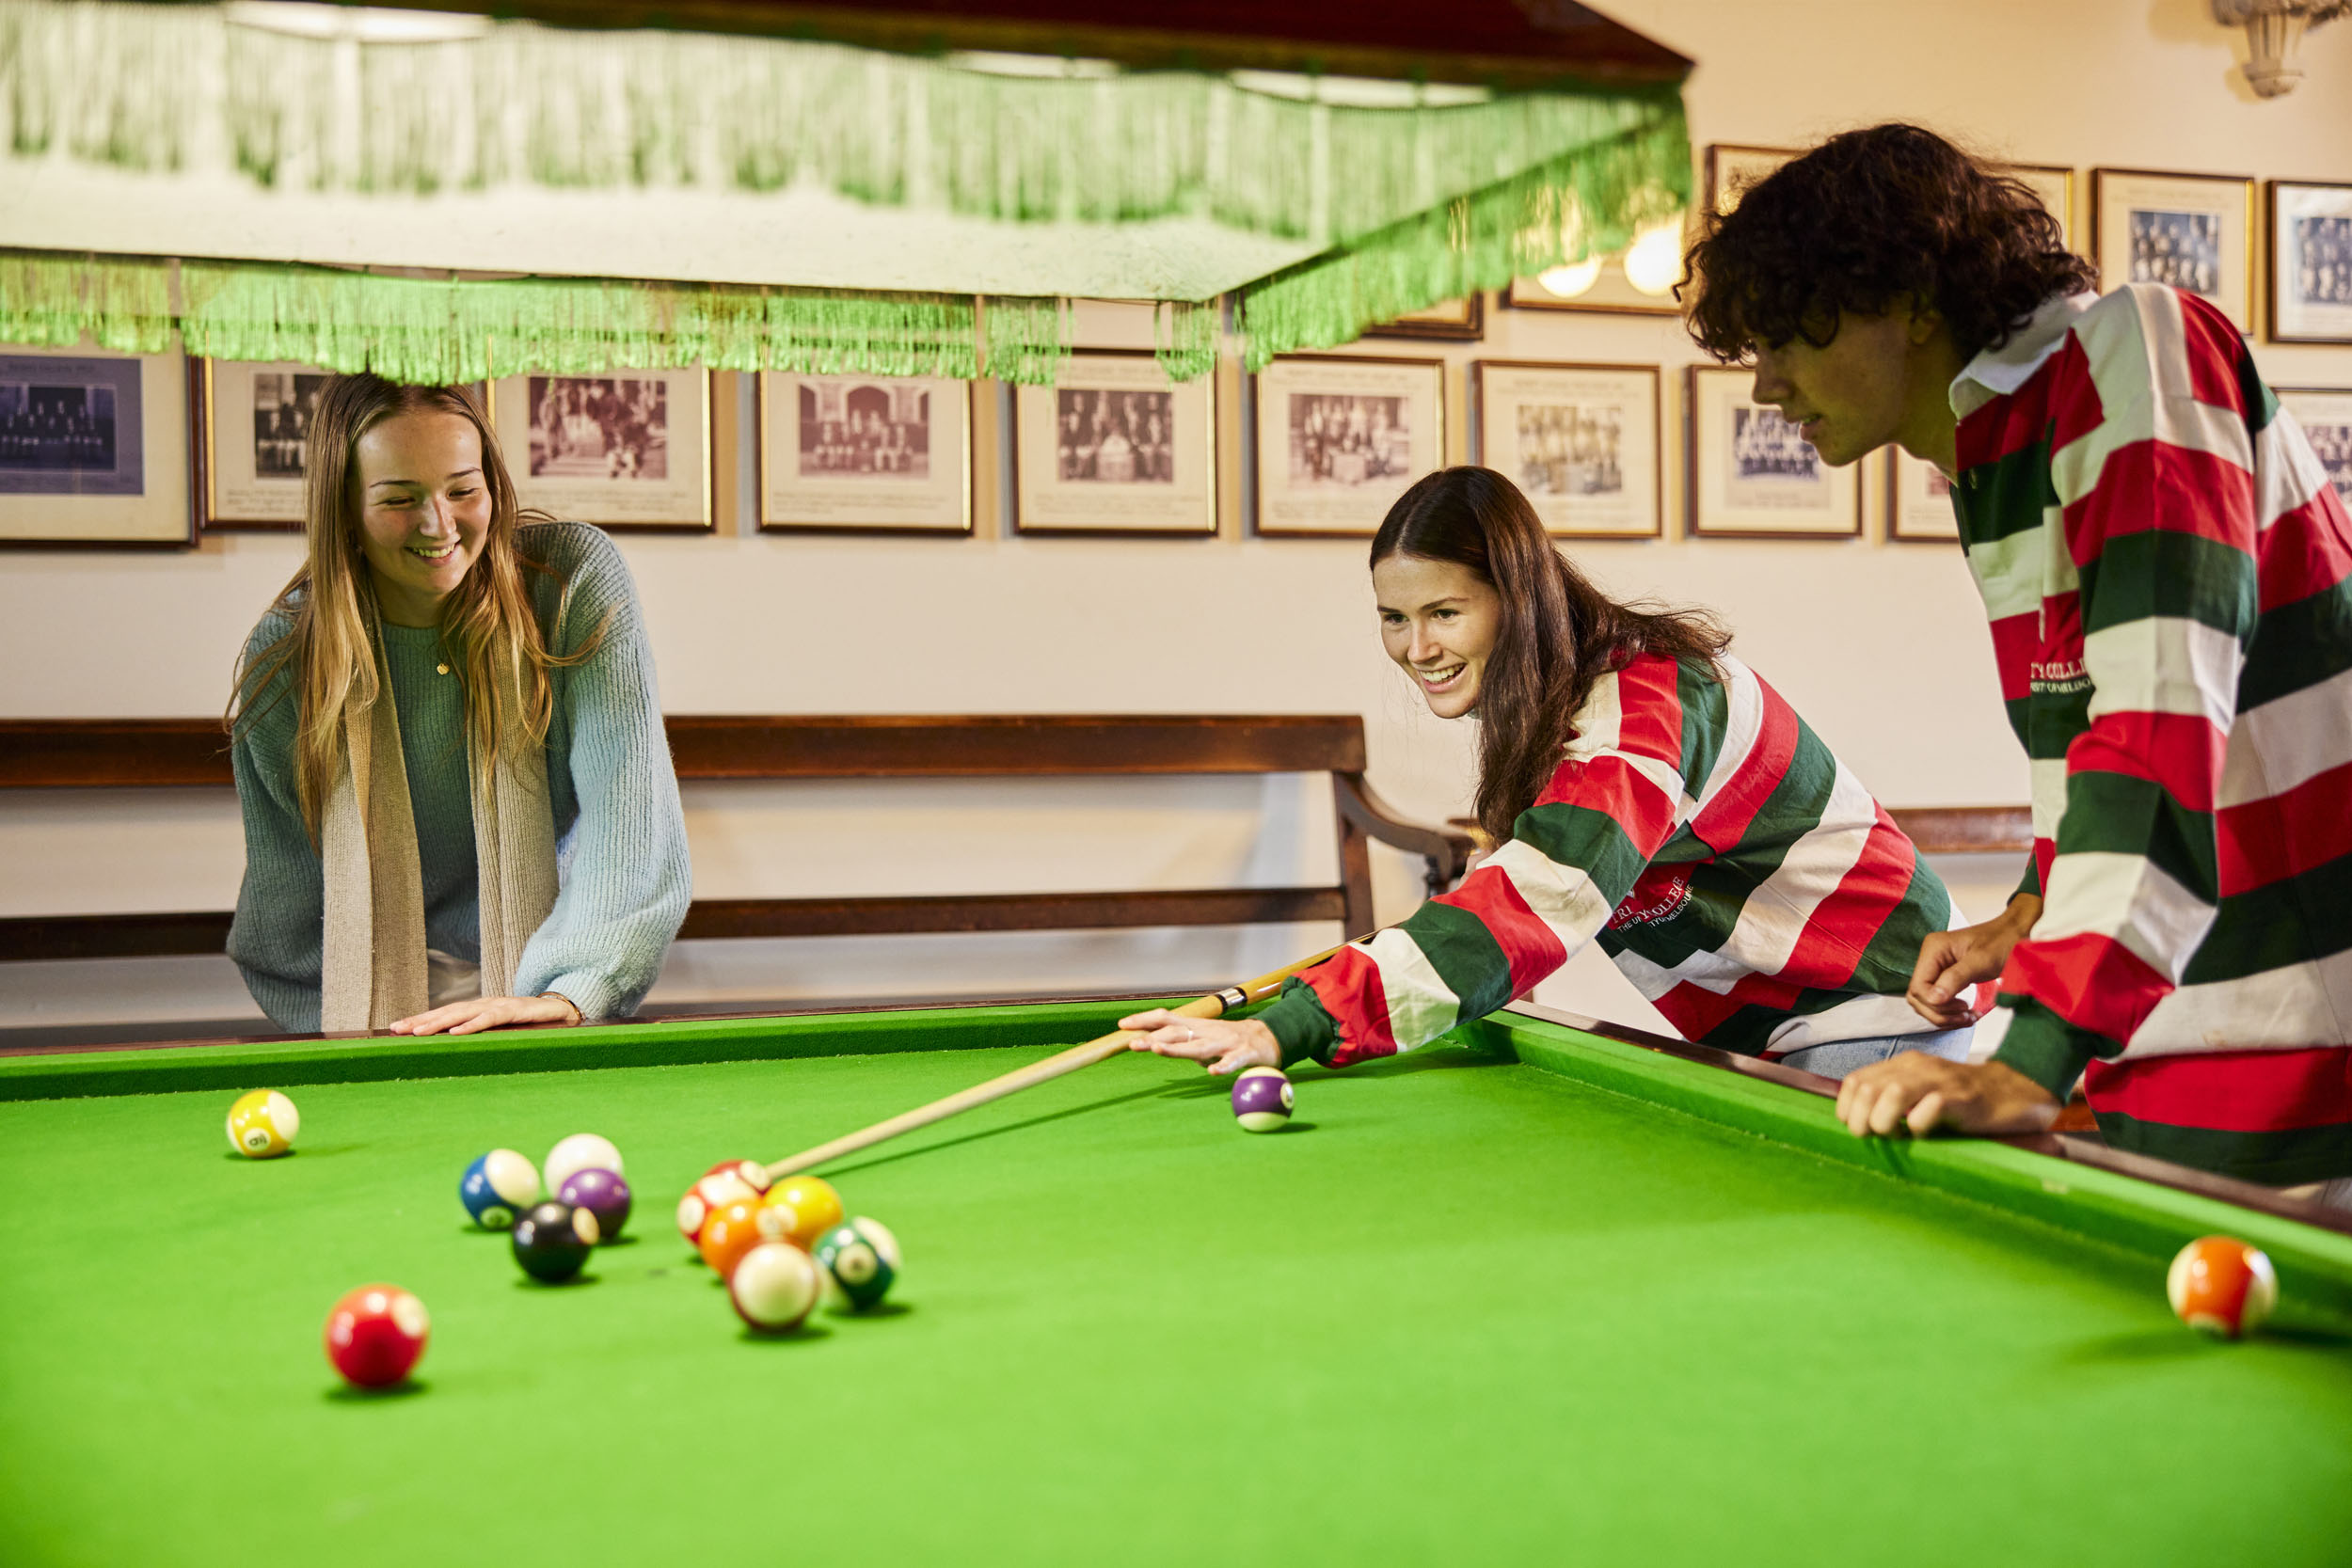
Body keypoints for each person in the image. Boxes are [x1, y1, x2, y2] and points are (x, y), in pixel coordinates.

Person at [1681, 123, 2352, 1197]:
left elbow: (2162, 721)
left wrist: (2027, 1061)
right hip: (2181, 1041)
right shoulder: (1991, 460)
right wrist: (2030, 912)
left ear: (1905, 295)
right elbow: (2099, 738)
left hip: (2307, 1049)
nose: (1766, 386)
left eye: (1784, 339)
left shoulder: (2136, 348)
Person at [1125, 466, 1981, 1082]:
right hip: (1794, 1025)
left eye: (1444, 613)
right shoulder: (1557, 704)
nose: (1416, 648)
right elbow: (1518, 881)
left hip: (1881, 1007)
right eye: (1394, 618)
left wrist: (1305, 1019)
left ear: (1518, 596)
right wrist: (1328, 991)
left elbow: (1541, 898)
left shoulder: (1643, 705)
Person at [227, 374, 690, 1037]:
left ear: (494, 488)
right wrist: (355, 1027)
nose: (439, 523)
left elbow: (631, 824)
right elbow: (287, 900)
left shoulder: (573, 584)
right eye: (399, 498)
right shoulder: (287, 658)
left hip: (548, 987)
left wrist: (570, 990)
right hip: (373, 1013)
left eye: (463, 490)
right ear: (345, 510)